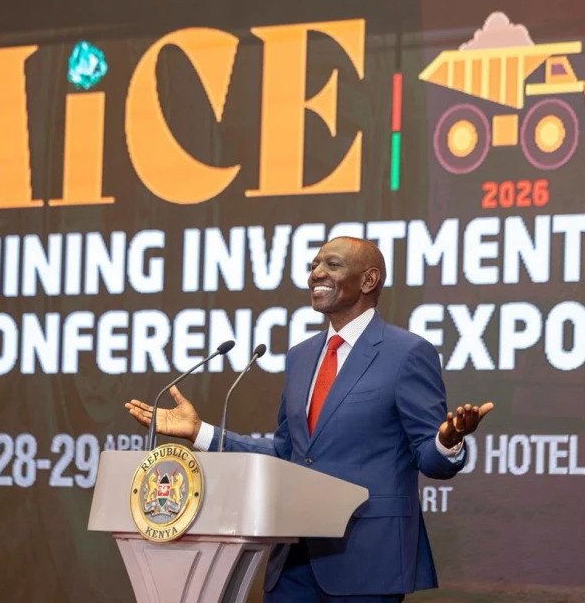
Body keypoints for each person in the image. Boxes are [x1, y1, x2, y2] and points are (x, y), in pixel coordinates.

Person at [125, 236, 493, 602]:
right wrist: (199, 432)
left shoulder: (407, 353)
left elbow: (429, 458)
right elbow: (288, 453)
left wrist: (447, 441)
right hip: (293, 560)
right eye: (314, 265)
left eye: (332, 265)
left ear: (368, 280)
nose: (316, 273)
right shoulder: (301, 356)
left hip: (366, 556)